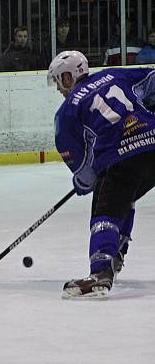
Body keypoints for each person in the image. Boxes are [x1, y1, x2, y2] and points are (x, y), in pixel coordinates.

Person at [48, 51, 155, 298]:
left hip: (121, 156)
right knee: (124, 197)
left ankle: (100, 272)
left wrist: (82, 180)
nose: (58, 88)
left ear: (68, 77)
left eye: (58, 81)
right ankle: (117, 251)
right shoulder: (114, 74)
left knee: (104, 210)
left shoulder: (67, 110)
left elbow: (82, 168)